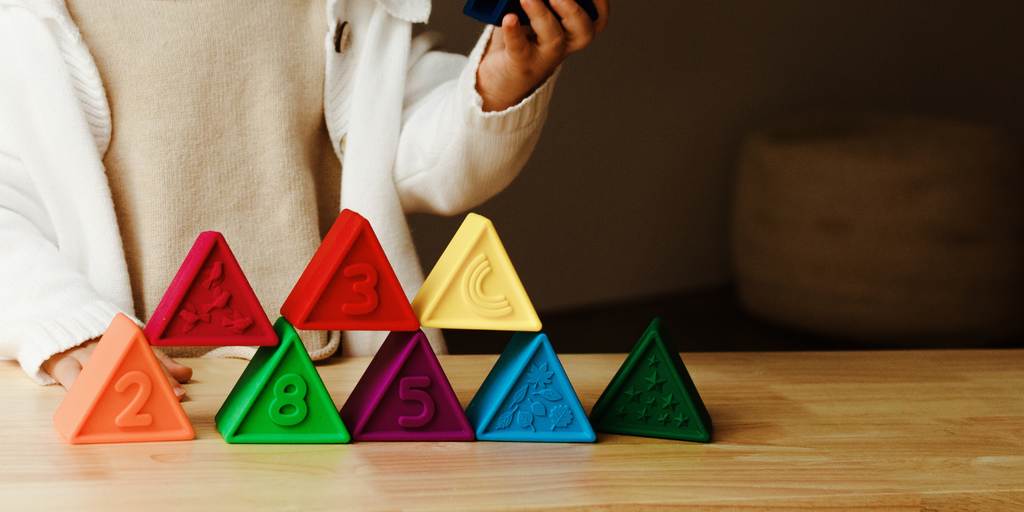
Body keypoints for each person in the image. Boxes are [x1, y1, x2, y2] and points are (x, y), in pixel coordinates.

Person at [0, 0, 609, 399]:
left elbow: (403, 156)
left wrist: (497, 81)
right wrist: (65, 323)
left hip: (331, 377)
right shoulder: (27, 18)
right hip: (135, 390)